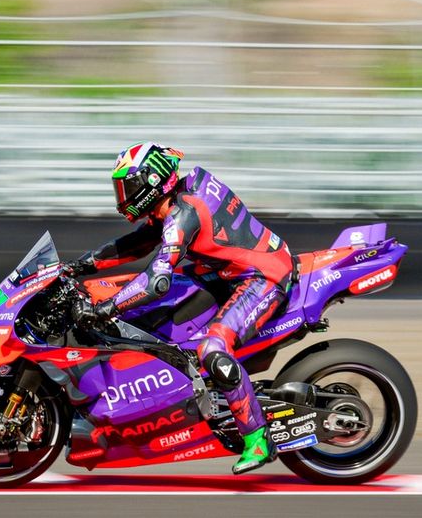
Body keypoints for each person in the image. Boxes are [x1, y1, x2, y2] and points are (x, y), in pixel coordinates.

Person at [65, 142, 294, 475]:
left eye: (128, 186)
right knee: (147, 320)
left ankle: (257, 438)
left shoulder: (183, 214)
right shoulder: (172, 204)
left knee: (213, 348)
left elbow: (155, 280)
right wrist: (80, 266)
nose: (123, 194)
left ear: (152, 182)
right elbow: (138, 243)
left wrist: (105, 309)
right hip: (221, 273)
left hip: (262, 278)